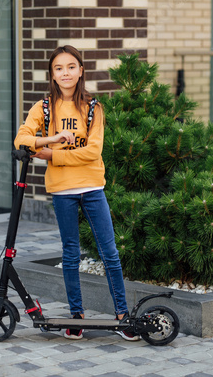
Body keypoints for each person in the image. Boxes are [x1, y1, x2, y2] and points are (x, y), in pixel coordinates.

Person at [14, 45, 140, 341]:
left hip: (93, 188)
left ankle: (122, 314)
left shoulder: (93, 107)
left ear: (81, 70)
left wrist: (51, 154)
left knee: (109, 253)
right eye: (59, 68)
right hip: (62, 191)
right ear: (53, 74)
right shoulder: (44, 107)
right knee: (70, 254)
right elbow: (22, 140)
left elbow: (93, 151)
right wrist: (54, 137)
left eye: (71, 67)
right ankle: (76, 316)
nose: (65, 73)